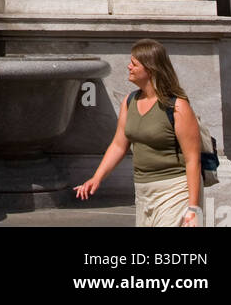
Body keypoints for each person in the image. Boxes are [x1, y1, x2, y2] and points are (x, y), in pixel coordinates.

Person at [74, 39, 202, 227]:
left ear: (150, 69)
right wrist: (97, 178)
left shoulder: (177, 107)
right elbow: (118, 145)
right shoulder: (130, 101)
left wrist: (193, 208)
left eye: (134, 64)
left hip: (174, 191)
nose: (128, 67)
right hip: (143, 192)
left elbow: (193, 159)